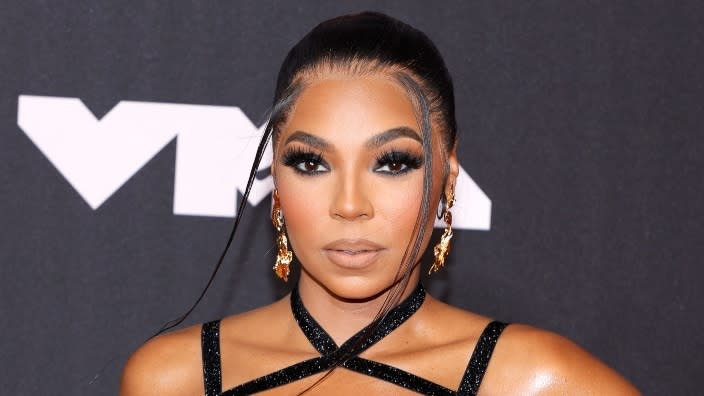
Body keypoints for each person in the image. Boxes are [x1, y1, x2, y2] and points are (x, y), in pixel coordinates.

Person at [120, 12, 640, 395]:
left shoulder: (534, 381)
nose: (350, 205)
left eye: (392, 163)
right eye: (311, 163)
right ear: (275, 177)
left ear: (447, 176)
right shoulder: (174, 378)